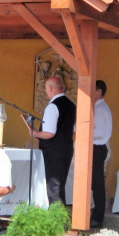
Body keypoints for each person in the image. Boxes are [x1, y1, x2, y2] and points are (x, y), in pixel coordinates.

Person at [24, 76, 76, 205]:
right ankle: (60, 215)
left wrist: (35, 133)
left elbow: (49, 133)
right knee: (59, 186)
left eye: (46, 88)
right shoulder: (71, 105)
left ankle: (56, 216)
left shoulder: (53, 106)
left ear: (51, 88)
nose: (46, 91)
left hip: (53, 152)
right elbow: (74, 130)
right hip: (66, 148)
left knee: (53, 188)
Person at [90, 80, 112, 227]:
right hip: (96, 147)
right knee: (95, 183)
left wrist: (82, 130)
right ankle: (96, 214)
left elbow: (99, 132)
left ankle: (98, 217)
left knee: (97, 183)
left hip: (97, 148)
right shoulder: (100, 107)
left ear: (99, 92)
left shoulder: (100, 109)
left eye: (93, 90)